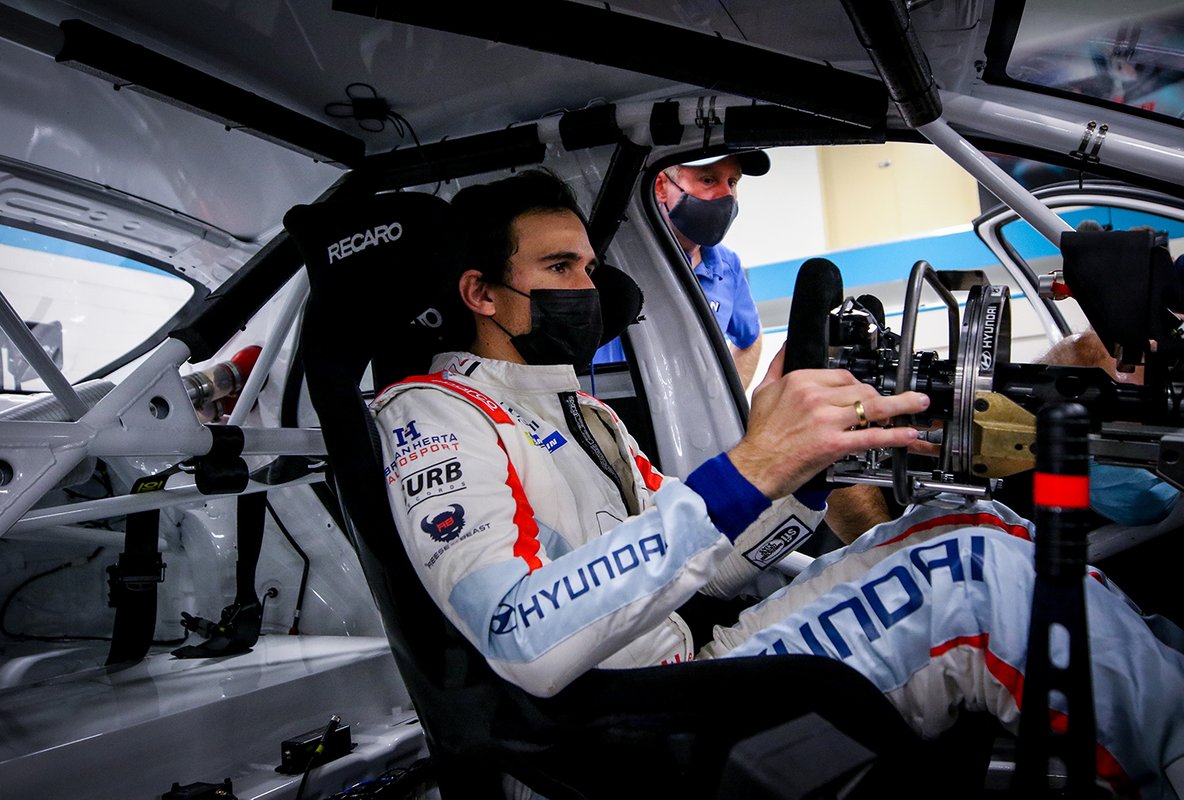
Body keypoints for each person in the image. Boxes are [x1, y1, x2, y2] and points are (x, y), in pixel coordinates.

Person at [371, 169, 1184, 799]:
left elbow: (712, 565)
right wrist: (746, 470)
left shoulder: (586, 413)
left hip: (695, 655)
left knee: (963, 530)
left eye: (588, 264)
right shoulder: (436, 416)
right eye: (558, 267)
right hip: (636, 708)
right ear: (480, 293)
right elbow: (518, 636)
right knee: (976, 579)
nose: (588, 288)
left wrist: (798, 477)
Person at [595, 152, 765, 390]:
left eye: (732, 182)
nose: (726, 196)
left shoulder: (728, 266)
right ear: (662, 186)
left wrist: (725, 406)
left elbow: (750, 339)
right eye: (708, 180)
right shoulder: (619, 258)